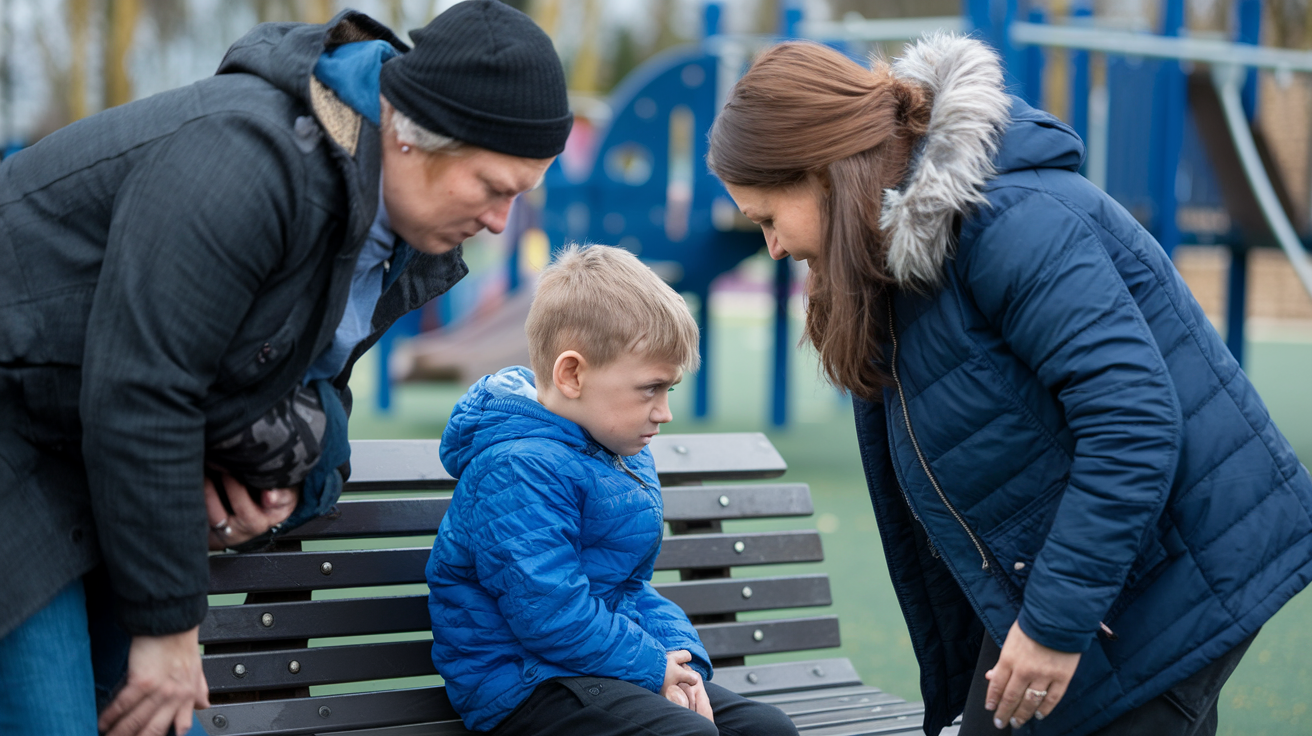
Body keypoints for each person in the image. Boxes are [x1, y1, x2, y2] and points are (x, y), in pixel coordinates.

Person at [706, 34, 1312, 736]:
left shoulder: (1011, 221)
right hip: (1103, 576)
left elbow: (1132, 423)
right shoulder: (900, 250)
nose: (773, 248)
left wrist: (1054, 625)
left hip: (1170, 569)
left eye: (769, 220)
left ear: (823, 170)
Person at [0, 2, 572, 734]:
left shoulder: (386, 235)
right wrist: (171, 629)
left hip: (97, 466)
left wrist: (278, 490)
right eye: (492, 186)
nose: (499, 221)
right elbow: (142, 390)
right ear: (407, 136)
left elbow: (305, 399)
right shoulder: (246, 159)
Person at [425, 244, 800, 736]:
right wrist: (652, 667)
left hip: (597, 664)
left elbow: (627, 588)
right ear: (573, 374)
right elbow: (550, 614)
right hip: (523, 687)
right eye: (650, 388)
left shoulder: (614, 448)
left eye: (670, 390)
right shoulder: (517, 468)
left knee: (764, 729)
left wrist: (680, 663)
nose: (664, 411)